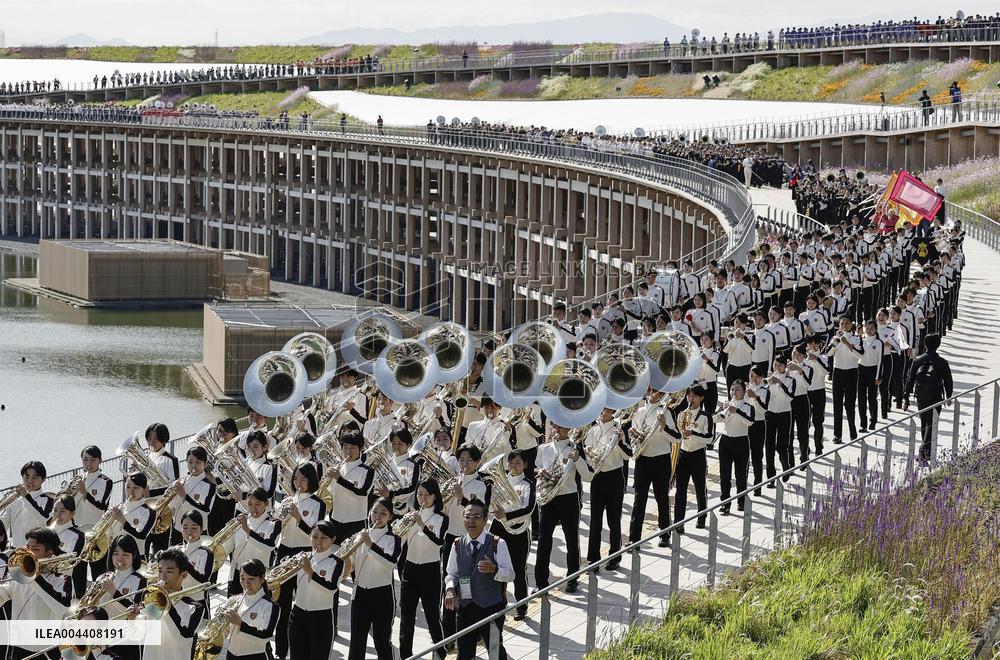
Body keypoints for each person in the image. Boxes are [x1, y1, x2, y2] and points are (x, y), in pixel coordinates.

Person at [445, 500, 515, 660]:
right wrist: (450, 589)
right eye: (467, 517)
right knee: (464, 654)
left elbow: (511, 574)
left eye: (476, 517)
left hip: (491, 607)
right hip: (466, 607)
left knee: (495, 650)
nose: (471, 521)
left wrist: (494, 569)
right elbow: (451, 574)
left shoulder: (498, 543)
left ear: (485, 520)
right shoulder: (457, 544)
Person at [534, 424, 588, 592]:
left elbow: (588, 476)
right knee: (544, 540)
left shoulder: (576, 447)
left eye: (561, 426)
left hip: (569, 497)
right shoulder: (544, 448)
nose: (557, 428)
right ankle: (541, 582)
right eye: (555, 425)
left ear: (569, 428)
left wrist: (578, 459)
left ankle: (573, 577)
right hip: (549, 497)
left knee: (571, 539)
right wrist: (541, 471)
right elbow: (536, 467)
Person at [399, 479, 448, 659]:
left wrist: (422, 525)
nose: (423, 498)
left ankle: (441, 651)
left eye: (427, 495)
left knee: (432, 615)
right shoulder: (409, 516)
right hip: (410, 570)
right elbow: (400, 543)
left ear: (435, 496)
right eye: (420, 494)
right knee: (406, 616)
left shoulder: (441, 518)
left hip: (430, 571)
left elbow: (439, 542)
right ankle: (405, 655)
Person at [5, 527, 72, 660]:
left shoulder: (62, 580)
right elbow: (5, 592)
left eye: (35, 549)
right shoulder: (18, 574)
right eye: (27, 547)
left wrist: (33, 575)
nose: (28, 552)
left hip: (47, 648)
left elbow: (62, 608)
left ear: (49, 553)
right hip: (19, 645)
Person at [349, 499, 401, 660]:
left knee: (381, 642)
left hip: (382, 595)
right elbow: (351, 564)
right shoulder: (360, 536)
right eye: (375, 512)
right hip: (360, 595)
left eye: (383, 513)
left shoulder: (394, 539)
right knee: (357, 643)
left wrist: (370, 544)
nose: (378, 516)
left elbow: (390, 563)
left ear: (390, 517)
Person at [487, 451, 535, 620]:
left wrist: (507, 516)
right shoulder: (499, 482)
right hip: (499, 528)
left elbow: (528, 509)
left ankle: (521, 606)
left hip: (519, 531)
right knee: (496, 566)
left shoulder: (528, 484)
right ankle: (499, 604)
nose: (514, 467)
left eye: (518, 463)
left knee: (518, 569)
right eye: (511, 463)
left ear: (525, 465)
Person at [133, 547, 205, 660]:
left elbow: (182, 640)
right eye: (160, 571)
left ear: (184, 575)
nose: (162, 577)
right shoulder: (152, 598)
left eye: (169, 571)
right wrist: (134, 618)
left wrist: (167, 604)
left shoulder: (195, 607)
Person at [289, 520, 344, 659]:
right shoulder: (301, 557)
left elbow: (331, 588)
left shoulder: (337, 562)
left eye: (324, 538)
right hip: (298, 614)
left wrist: (311, 572)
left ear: (333, 540)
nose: (318, 541)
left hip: (321, 617)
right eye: (314, 537)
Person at [904, 333, 954, 461]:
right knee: (932, 424)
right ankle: (924, 452)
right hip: (935, 395)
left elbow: (910, 378)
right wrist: (948, 396)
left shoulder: (917, 360)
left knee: (924, 422)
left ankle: (925, 451)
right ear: (938, 345)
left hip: (921, 395)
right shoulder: (942, 362)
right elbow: (948, 380)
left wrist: (906, 397)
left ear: (925, 345)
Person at [222, 558, 280, 660]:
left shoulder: (271, 606)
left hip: (255, 656)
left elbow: (265, 636)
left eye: (251, 579)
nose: (246, 583)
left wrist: (240, 624)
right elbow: (226, 631)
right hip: (231, 654)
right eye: (242, 578)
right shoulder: (234, 599)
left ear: (262, 579)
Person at [227, 488, 280, 596]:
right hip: (238, 573)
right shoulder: (239, 521)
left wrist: (247, 530)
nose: (253, 508)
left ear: (266, 504)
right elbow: (228, 546)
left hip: (259, 577)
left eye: (258, 504)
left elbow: (269, 546)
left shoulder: (274, 523)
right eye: (250, 504)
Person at [673, 385, 711, 532]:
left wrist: (693, 434)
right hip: (683, 454)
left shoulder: (705, 416)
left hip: (698, 454)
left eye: (694, 396)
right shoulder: (682, 414)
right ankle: (678, 522)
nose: (691, 399)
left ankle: (702, 516)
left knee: (700, 487)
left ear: (701, 398)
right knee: (680, 490)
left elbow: (709, 438)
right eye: (689, 395)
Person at [73, 445, 114, 580]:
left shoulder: (106, 481)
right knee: (78, 573)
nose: (88, 464)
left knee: (99, 573)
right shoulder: (78, 480)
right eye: (85, 460)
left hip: (97, 533)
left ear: (100, 461)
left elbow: (101, 507)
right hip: (78, 532)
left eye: (92, 460)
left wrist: (85, 493)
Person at [714, 382, 754, 514]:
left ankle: (741, 501)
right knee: (725, 474)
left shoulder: (748, 407)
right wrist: (722, 409)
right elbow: (714, 419)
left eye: (737, 390)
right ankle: (725, 502)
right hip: (725, 441)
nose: (734, 392)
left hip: (741, 441)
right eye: (732, 390)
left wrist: (736, 411)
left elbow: (750, 421)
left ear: (743, 391)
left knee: (740, 474)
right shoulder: (726, 404)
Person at [1, 461, 54, 548]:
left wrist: (26, 495)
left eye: (35, 477)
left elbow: (42, 519)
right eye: (27, 477)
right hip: (15, 550)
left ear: (43, 479)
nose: (30, 481)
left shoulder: (48, 500)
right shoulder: (15, 499)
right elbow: (4, 521)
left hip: (36, 551)